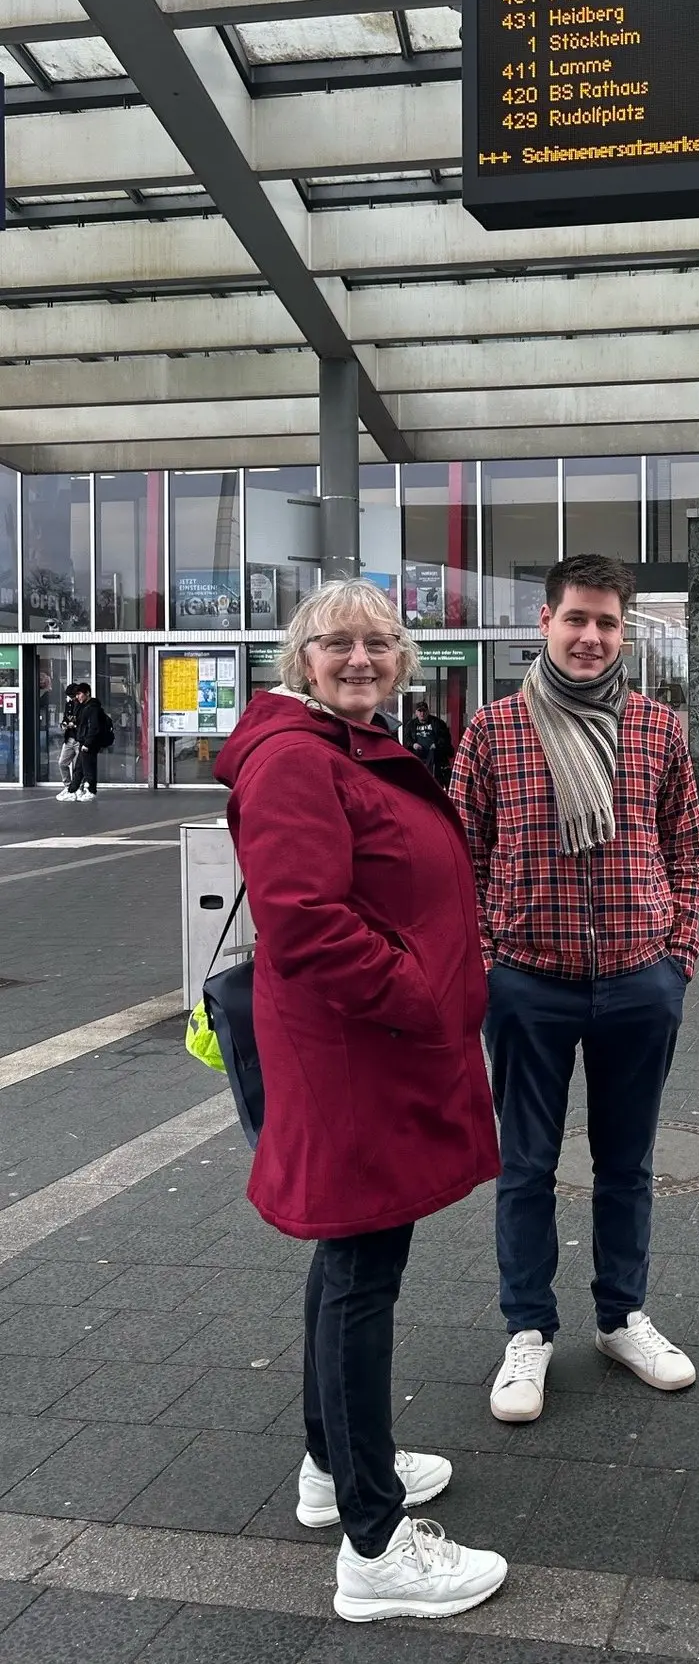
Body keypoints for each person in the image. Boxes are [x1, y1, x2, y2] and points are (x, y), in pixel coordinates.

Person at [217, 577, 508, 1625]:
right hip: (362, 1054)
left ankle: (331, 1468)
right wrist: (423, 1002)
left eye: (379, 642)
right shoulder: (299, 757)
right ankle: (376, 1547)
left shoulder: (347, 746)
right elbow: (302, 920)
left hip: (369, 1049)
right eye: (336, 642)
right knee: (360, 1276)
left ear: (404, 657)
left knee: (350, 1262)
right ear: (301, 658)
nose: (360, 657)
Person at [451, 552, 699, 1424]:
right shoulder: (492, 731)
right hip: (528, 983)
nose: (591, 637)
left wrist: (678, 955)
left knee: (626, 1164)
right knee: (523, 1166)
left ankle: (620, 1315)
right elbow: (462, 860)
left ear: (623, 630)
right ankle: (528, 1329)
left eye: (606, 622)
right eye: (576, 619)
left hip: (640, 980)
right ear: (545, 624)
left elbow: (688, 846)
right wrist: (487, 962)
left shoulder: (658, 730)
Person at [66, 683, 109, 803]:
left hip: (89, 744)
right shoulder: (84, 706)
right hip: (84, 742)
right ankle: (72, 790)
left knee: (88, 768)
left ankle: (91, 791)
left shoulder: (92, 708)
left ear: (87, 693)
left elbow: (94, 728)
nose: (78, 697)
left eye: (80, 694)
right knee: (79, 768)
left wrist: (87, 743)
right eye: (77, 694)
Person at [406, 699, 456, 789]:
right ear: (416, 713)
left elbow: (445, 738)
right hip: (418, 755)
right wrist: (413, 745)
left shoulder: (438, 723)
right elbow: (407, 739)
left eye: (424, 711)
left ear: (428, 711)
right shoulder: (411, 725)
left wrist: (436, 745)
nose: (422, 713)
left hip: (436, 757)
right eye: (419, 711)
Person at [54, 685, 79, 803]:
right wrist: (64, 724)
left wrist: (73, 725)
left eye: (74, 696)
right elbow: (65, 718)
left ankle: (80, 788)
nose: (72, 699)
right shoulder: (69, 705)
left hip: (80, 739)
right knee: (62, 763)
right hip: (69, 738)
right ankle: (68, 787)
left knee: (80, 766)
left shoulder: (85, 706)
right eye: (70, 697)